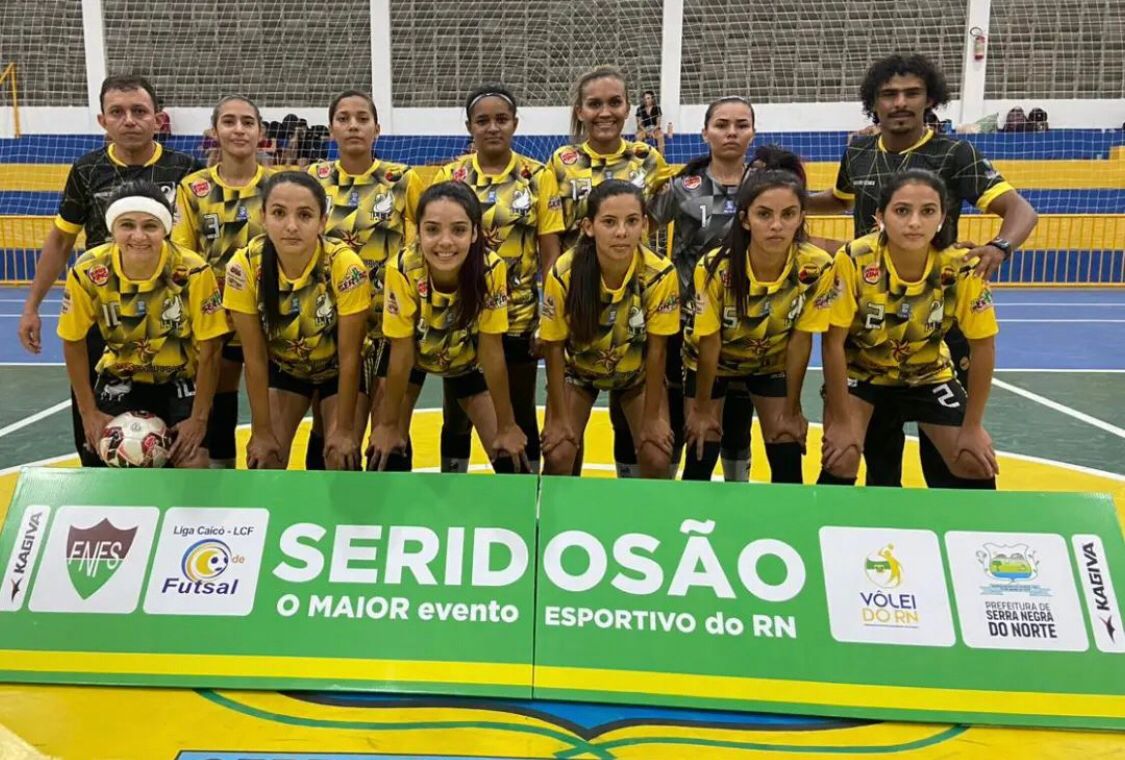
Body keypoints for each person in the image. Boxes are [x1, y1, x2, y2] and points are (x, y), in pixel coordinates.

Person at [806, 52, 1036, 487]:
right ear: (873, 102)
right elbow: (838, 200)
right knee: (875, 457)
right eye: (889, 94)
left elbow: (1020, 209)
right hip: (869, 329)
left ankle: (948, 536)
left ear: (930, 99)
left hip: (937, 325)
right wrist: (782, 199)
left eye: (911, 93)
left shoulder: (954, 152)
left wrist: (999, 246)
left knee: (951, 461)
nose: (900, 102)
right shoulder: (858, 152)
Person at [17, 74, 198, 467]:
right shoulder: (87, 170)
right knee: (99, 442)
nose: (129, 120)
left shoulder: (185, 168)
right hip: (105, 320)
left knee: (180, 447)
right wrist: (32, 305)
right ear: (102, 121)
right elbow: (61, 240)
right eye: (117, 112)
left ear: (158, 119)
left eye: (139, 111)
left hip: (172, 325)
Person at [819, 170, 999, 489]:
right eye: (902, 211)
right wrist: (842, 421)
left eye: (927, 211)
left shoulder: (962, 266)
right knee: (842, 454)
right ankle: (820, 532)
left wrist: (973, 426)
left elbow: (983, 346)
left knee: (975, 462)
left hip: (928, 375)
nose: (914, 222)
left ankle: (973, 537)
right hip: (862, 376)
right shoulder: (854, 259)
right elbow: (833, 343)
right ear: (880, 217)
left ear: (943, 218)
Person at [547, 65, 674, 477]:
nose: (606, 112)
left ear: (628, 108)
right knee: (563, 448)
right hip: (580, 303)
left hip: (634, 301)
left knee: (650, 446)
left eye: (615, 102)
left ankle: (634, 518)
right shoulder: (562, 162)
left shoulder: (648, 159)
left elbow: (670, 214)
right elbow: (551, 233)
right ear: (580, 111)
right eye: (595, 103)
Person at [432, 83, 565, 474]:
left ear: (515, 124)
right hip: (461, 318)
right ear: (470, 126)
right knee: (456, 413)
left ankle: (527, 495)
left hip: (519, 317)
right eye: (483, 120)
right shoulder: (451, 175)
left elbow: (550, 252)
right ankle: (451, 485)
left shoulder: (537, 176)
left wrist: (547, 314)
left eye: (501, 119)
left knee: (520, 407)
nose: (493, 127)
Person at [57, 181, 228, 468]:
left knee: (193, 459)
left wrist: (199, 418)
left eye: (150, 226)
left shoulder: (193, 270)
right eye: (127, 225)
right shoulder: (89, 271)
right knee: (99, 459)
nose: (138, 236)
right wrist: (88, 413)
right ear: (113, 229)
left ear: (165, 229)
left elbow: (210, 350)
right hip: (120, 378)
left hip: (178, 380)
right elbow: (73, 341)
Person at [681, 170, 835, 483]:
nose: (776, 225)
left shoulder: (817, 265)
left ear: (801, 218)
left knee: (787, 446)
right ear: (745, 220)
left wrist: (792, 409)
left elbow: (801, 340)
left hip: (771, 363)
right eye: (764, 214)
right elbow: (709, 343)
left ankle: (783, 529)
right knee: (702, 445)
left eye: (788, 214)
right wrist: (700, 411)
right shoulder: (714, 267)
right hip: (714, 362)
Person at [367, 182, 529, 473]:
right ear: (418, 232)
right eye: (432, 230)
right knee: (385, 453)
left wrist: (507, 425)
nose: (445, 242)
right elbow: (401, 352)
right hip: (412, 356)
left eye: (458, 230)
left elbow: (491, 351)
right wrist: (389, 425)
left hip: (466, 356)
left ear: (475, 232)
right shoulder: (402, 267)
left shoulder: (490, 269)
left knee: (510, 460)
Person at [223, 172, 370, 470]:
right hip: (285, 367)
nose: (291, 226)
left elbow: (351, 356)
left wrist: (343, 430)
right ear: (263, 216)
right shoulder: (244, 266)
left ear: (322, 221)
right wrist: (261, 431)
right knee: (265, 459)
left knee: (341, 458)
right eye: (279, 213)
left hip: (337, 369)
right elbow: (253, 358)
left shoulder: (345, 266)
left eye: (304, 215)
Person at [310, 89, 424, 470]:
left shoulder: (402, 180)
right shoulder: (315, 178)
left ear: (377, 127)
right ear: (331, 130)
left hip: (388, 327)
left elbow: (423, 247)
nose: (353, 125)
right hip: (330, 326)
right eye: (343, 118)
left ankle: (390, 522)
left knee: (390, 434)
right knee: (335, 436)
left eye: (362, 118)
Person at [538, 180, 679, 480]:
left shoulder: (660, 274)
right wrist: (560, 419)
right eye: (609, 222)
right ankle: (558, 522)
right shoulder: (564, 272)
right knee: (559, 452)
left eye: (631, 222)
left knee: (656, 454)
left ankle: (648, 524)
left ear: (644, 224)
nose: (621, 232)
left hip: (636, 375)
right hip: (578, 373)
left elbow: (658, 350)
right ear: (589, 227)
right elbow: (552, 347)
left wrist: (653, 418)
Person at [649, 95, 756, 479]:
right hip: (685, 319)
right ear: (705, 132)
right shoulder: (682, 188)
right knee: (684, 407)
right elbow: (644, 226)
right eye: (722, 125)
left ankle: (736, 485)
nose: (731, 132)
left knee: (739, 412)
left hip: (748, 319)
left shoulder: (763, 187)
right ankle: (682, 492)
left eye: (741, 125)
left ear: (752, 132)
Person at [172, 95, 270, 468]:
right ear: (214, 132)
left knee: (273, 403)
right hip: (216, 318)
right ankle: (224, 474)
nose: (239, 129)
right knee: (220, 398)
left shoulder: (279, 184)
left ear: (260, 132)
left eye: (248, 122)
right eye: (229, 122)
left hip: (270, 318)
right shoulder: (193, 188)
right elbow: (183, 255)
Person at [635, 90, 664, 154]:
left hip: (655, 128)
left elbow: (658, 124)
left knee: (660, 135)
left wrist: (652, 131)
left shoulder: (657, 108)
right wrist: (646, 131)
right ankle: (638, 157)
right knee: (638, 136)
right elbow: (639, 124)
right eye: (645, 98)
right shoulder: (639, 109)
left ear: (652, 99)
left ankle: (662, 157)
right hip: (643, 129)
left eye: (648, 98)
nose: (646, 100)